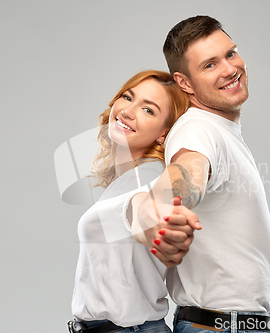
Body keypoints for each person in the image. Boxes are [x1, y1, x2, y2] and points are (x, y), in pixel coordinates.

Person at [129, 16, 270, 333]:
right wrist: (156, 214)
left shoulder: (219, 130)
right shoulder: (199, 131)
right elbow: (183, 179)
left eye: (230, 53)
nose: (229, 69)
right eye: (209, 65)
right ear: (185, 83)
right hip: (220, 327)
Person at [68, 70, 200, 333]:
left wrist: (148, 213)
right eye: (128, 97)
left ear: (164, 133)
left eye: (148, 110)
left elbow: (145, 208)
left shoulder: (151, 177)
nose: (128, 111)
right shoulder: (127, 178)